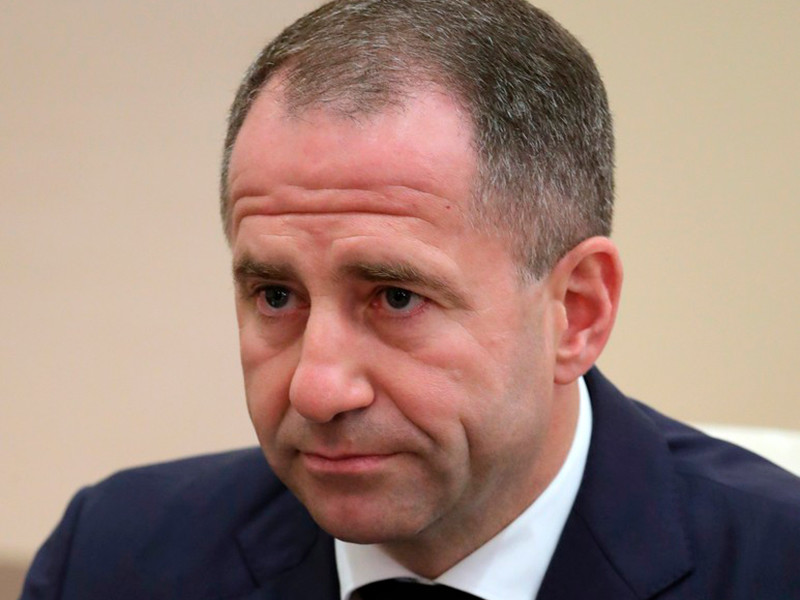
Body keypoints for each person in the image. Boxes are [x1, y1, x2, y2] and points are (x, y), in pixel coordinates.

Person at [20, 1, 800, 599]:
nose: (317, 388)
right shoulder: (114, 560)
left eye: (395, 297)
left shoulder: (774, 566)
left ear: (577, 313)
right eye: (276, 294)